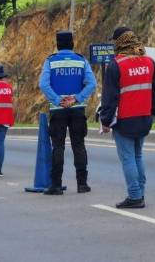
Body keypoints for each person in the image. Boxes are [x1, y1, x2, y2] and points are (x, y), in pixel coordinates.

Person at [100, 27, 155, 208]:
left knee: (128, 158)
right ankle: (140, 193)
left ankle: (135, 196)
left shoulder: (116, 64)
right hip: (144, 118)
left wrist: (105, 121)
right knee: (137, 155)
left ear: (119, 42)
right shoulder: (149, 62)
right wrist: (153, 112)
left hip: (125, 119)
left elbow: (110, 97)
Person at [39, 31, 97, 195]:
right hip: (77, 109)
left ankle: (56, 185)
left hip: (58, 110)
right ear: (72, 43)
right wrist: (77, 98)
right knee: (79, 145)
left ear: (57, 44)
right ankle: (82, 184)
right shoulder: (81, 60)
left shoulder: (50, 61)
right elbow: (92, 83)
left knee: (58, 146)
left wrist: (57, 100)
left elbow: (43, 84)